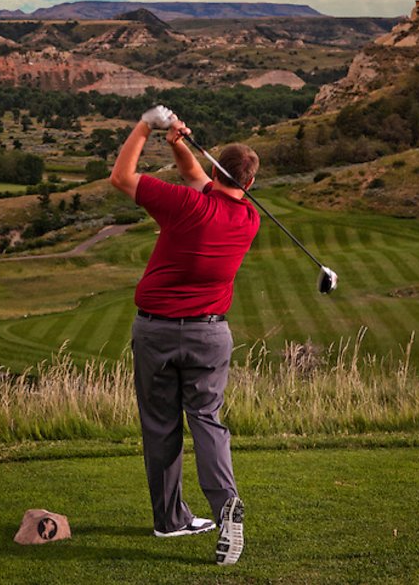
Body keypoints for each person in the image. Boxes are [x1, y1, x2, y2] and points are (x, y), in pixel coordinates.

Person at [109, 106, 258, 566]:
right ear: (248, 184)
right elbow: (205, 182)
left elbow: (121, 177)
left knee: (160, 425)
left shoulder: (186, 204)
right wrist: (176, 144)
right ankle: (223, 504)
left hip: (154, 330)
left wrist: (145, 125)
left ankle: (170, 518)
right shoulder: (248, 218)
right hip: (210, 336)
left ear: (215, 170)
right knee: (207, 420)